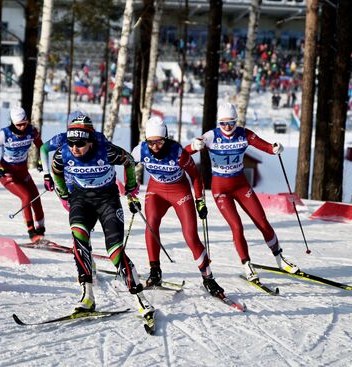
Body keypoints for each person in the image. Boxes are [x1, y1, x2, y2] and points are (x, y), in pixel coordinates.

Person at [50, 114, 154, 319]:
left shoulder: (105, 150)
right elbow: (56, 170)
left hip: (107, 200)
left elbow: (129, 161)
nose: (74, 148)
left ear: (89, 141)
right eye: (71, 143)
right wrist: (63, 192)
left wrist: (131, 187)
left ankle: (140, 298)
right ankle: (87, 296)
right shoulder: (63, 153)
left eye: (79, 143)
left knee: (115, 250)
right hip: (81, 199)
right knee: (78, 238)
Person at [187, 102, 299, 282]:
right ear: (218, 123)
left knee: (262, 222)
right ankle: (247, 264)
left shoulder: (244, 134)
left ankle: (280, 260)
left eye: (231, 123)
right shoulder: (210, 136)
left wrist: (275, 148)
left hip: (241, 185)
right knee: (237, 226)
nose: (227, 127)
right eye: (223, 123)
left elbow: (266, 147)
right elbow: (184, 153)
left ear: (236, 121)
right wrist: (194, 145)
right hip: (220, 189)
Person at [131, 117, 224, 297]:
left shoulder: (179, 153)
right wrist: (131, 194)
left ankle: (208, 278)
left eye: (159, 141)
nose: (155, 146)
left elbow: (196, 177)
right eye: (151, 142)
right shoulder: (140, 150)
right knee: (151, 225)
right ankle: (155, 272)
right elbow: (128, 166)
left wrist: (200, 201)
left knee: (190, 235)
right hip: (156, 191)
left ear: (166, 138)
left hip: (179, 191)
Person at [0, 107, 45, 242]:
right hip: (7, 172)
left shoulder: (32, 131)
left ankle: (41, 230)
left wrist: (41, 161)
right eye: (19, 124)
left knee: (36, 198)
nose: (23, 127)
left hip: (22, 170)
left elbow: (42, 146)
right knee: (26, 196)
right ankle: (31, 232)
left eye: (25, 123)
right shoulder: (4, 134)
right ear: (13, 123)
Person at [39, 110, 109, 196]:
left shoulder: (98, 137)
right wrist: (46, 174)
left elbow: (111, 154)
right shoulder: (62, 138)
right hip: (69, 182)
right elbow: (43, 149)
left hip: (92, 179)